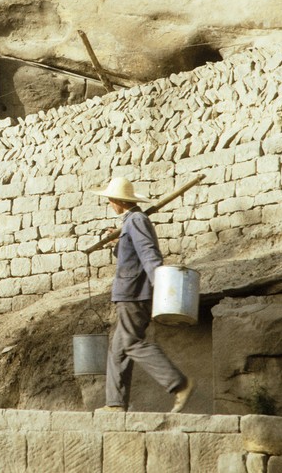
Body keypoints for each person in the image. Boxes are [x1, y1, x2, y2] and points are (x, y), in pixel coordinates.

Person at [91, 176, 193, 413]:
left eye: (110, 200)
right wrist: (118, 242)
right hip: (129, 293)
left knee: (132, 343)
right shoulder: (131, 221)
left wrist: (161, 286)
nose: (110, 204)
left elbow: (149, 254)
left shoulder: (136, 220)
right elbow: (132, 255)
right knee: (118, 349)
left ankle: (179, 383)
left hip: (134, 294)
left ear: (118, 201)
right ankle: (115, 403)